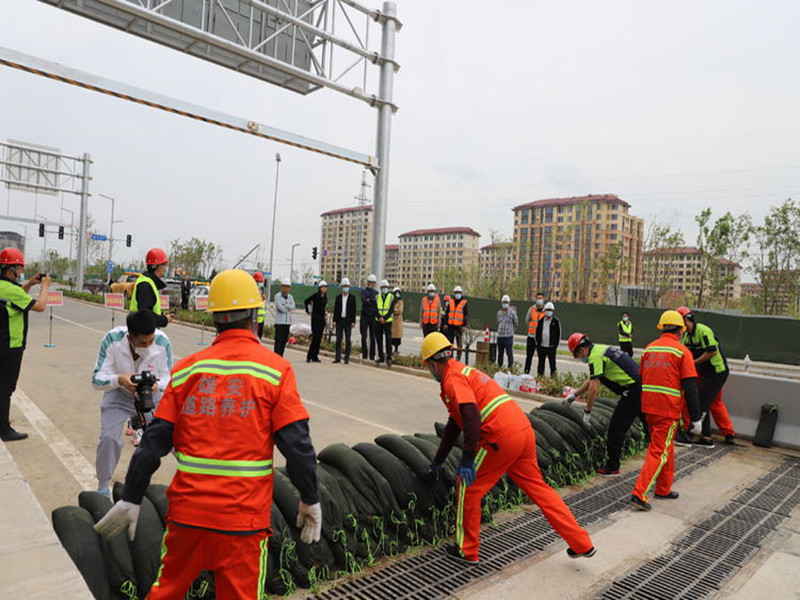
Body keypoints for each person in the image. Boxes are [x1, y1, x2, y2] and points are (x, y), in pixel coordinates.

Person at [94, 269, 321, 598]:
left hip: (188, 517)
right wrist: (310, 498)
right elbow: (297, 447)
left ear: (214, 319)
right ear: (256, 316)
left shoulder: (187, 369)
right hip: (242, 523)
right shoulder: (275, 370)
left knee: (166, 592)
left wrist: (132, 497)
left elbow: (153, 442)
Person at [421, 332, 595, 564]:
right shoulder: (464, 371)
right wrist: (439, 460)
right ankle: (582, 543)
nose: (430, 371)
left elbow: (471, 417)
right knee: (539, 490)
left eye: (428, 367)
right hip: (522, 430)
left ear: (432, 363)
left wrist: (467, 459)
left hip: (500, 436)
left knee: (468, 486)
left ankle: (467, 550)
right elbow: (455, 423)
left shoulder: (452, 378)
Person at [91, 310, 173, 498]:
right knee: (109, 439)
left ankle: (190, 480)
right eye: (143, 343)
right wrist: (119, 379)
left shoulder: (162, 342)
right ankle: (103, 487)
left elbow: (169, 378)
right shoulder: (112, 340)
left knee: (174, 438)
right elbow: (96, 379)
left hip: (152, 395)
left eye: (150, 341)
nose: (148, 346)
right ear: (130, 337)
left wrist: (156, 385)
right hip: (119, 395)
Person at [631, 310, 703, 511]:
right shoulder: (682, 352)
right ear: (680, 331)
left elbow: (642, 379)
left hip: (649, 407)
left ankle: (663, 488)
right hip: (667, 409)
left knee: (666, 447)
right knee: (659, 451)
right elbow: (690, 387)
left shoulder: (649, 349)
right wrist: (696, 419)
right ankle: (639, 493)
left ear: (662, 328)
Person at [564, 333, 643, 477]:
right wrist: (575, 394)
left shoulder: (594, 356)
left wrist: (587, 412)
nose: (580, 359)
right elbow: (593, 379)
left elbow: (594, 388)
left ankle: (612, 467)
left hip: (634, 390)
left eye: (577, 356)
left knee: (615, 429)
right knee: (647, 422)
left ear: (581, 350)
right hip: (640, 385)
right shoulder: (600, 349)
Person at [0, 248, 51, 441]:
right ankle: (4, 429)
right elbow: (39, 306)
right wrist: (44, 286)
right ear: (11, 269)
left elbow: (16, 298)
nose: (21, 272)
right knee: (6, 388)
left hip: (2, 342)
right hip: (10, 345)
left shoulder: (6, 288)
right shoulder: (12, 291)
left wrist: (30, 283)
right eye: (20, 269)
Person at [675, 307, 735, 447]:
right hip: (705, 374)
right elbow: (683, 354)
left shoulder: (703, 330)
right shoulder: (687, 337)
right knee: (715, 403)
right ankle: (729, 433)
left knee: (702, 403)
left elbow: (711, 351)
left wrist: (693, 363)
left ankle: (704, 436)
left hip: (716, 372)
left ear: (687, 320)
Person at [129, 248, 173, 328]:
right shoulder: (145, 285)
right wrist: (164, 319)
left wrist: (161, 316)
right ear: (159, 267)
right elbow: (146, 315)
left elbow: (149, 310)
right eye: (165, 265)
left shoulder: (149, 282)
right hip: (141, 334)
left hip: (144, 332)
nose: (166, 268)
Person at [333, 278, 356, 364]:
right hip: (339, 321)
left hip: (348, 321)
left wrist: (353, 321)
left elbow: (353, 310)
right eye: (344, 286)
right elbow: (336, 310)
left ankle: (347, 358)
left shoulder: (352, 298)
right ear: (342, 287)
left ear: (349, 287)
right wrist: (334, 321)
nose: (345, 288)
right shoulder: (338, 297)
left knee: (348, 340)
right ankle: (337, 357)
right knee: (338, 339)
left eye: (347, 286)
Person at [304, 281, 328, 363]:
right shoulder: (315, 296)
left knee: (319, 339)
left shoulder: (325, 297)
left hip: (322, 319)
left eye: (325, 287)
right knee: (315, 338)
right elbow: (306, 301)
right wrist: (308, 310)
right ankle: (309, 355)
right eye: (323, 287)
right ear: (319, 288)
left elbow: (323, 307)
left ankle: (315, 356)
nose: (324, 289)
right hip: (315, 319)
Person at [534, 302, 560, 377]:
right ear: (545, 310)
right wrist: (538, 344)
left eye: (550, 310)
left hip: (551, 347)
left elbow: (558, 335)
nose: (549, 311)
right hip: (542, 347)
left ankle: (553, 380)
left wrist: (555, 346)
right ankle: (540, 378)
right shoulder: (541, 321)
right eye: (548, 310)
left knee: (552, 365)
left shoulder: (556, 322)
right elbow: (537, 333)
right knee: (541, 364)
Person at [444, 285, 468, 361]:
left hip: (459, 327)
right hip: (450, 326)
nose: (457, 294)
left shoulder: (464, 303)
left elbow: (466, 315)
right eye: (456, 293)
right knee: (450, 343)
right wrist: (445, 324)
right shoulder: (450, 302)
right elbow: (447, 313)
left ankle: (458, 359)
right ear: (454, 293)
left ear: (461, 293)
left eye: (459, 293)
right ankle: (450, 358)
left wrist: (464, 325)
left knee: (459, 344)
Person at [523, 292, 546, 374]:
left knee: (541, 359)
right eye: (538, 298)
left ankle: (540, 376)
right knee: (529, 357)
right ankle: (526, 373)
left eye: (541, 298)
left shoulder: (546, 310)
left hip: (541, 339)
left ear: (543, 299)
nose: (539, 300)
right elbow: (527, 320)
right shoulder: (531, 309)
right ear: (536, 299)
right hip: (531, 337)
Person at [375, 280, 395, 366]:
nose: (385, 289)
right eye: (383, 288)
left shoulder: (391, 297)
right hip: (378, 321)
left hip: (387, 321)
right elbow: (375, 309)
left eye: (386, 288)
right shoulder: (377, 297)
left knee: (388, 340)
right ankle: (381, 357)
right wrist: (380, 317)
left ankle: (389, 358)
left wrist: (384, 318)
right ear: (381, 288)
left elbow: (391, 310)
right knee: (379, 340)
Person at [360, 274, 379, 362]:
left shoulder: (376, 293)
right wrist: (371, 300)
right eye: (371, 282)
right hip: (364, 316)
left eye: (373, 283)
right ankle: (364, 354)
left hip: (373, 317)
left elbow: (376, 303)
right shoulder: (364, 291)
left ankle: (372, 355)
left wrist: (369, 300)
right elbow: (364, 301)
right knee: (364, 335)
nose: (372, 284)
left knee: (373, 337)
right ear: (368, 283)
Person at [273, 278, 295, 356]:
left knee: (283, 342)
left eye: (288, 287)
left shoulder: (290, 297)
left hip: (287, 323)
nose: (286, 288)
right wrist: (288, 307)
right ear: (282, 287)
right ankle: (276, 357)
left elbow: (293, 306)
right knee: (278, 342)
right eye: (285, 286)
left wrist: (286, 306)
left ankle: (281, 356)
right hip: (279, 323)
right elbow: (280, 308)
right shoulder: (277, 296)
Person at [496, 295, 518, 368]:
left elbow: (516, 323)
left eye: (506, 302)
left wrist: (511, 331)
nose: (505, 303)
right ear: (502, 303)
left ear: (508, 303)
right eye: (504, 302)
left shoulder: (512, 313)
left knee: (509, 353)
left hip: (508, 337)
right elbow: (498, 322)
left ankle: (510, 367)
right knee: (500, 353)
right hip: (500, 337)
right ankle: (499, 367)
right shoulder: (499, 313)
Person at [391, 287, 404, 355]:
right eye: (396, 293)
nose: (397, 294)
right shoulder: (392, 301)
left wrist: (394, 310)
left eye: (398, 292)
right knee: (391, 337)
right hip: (392, 321)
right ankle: (391, 350)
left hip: (398, 321)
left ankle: (396, 350)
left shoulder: (400, 302)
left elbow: (400, 311)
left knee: (397, 337)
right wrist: (394, 310)